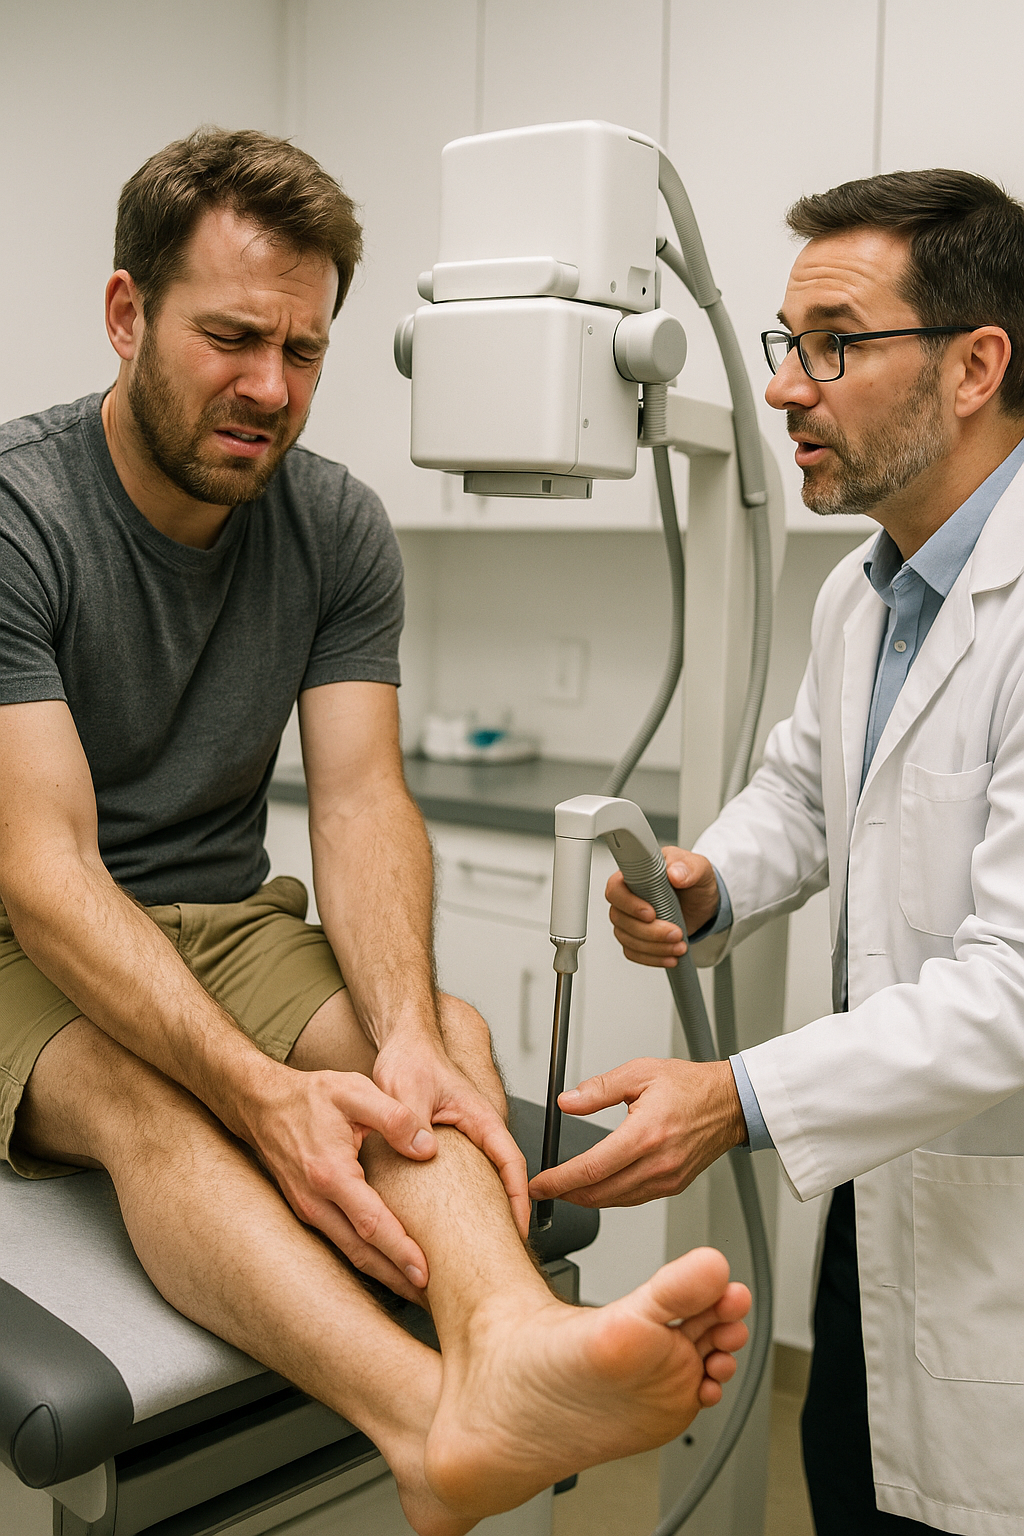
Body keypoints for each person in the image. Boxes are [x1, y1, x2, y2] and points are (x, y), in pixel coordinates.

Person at [0, 128, 751, 1534]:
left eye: (305, 350)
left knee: (445, 1045)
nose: (270, 389)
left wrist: (397, 1029)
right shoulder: (16, 514)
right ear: (126, 314)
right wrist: (258, 1093)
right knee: (146, 1099)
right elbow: (45, 874)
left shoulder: (336, 523)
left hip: (224, 919)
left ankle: (511, 1351)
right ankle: (425, 1428)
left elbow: (357, 799)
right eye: (232, 337)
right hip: (19, 938)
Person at [529, 168, 1024, 1536]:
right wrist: (716, 880)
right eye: (785, 346)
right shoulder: (866, 594)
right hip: (886, 1184)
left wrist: (732, 1097)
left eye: (835, 346)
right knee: (860, 1489)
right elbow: (810, 792)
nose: (787, 389)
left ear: (978, 362)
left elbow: (1015, 985)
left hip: (1000, 1210)